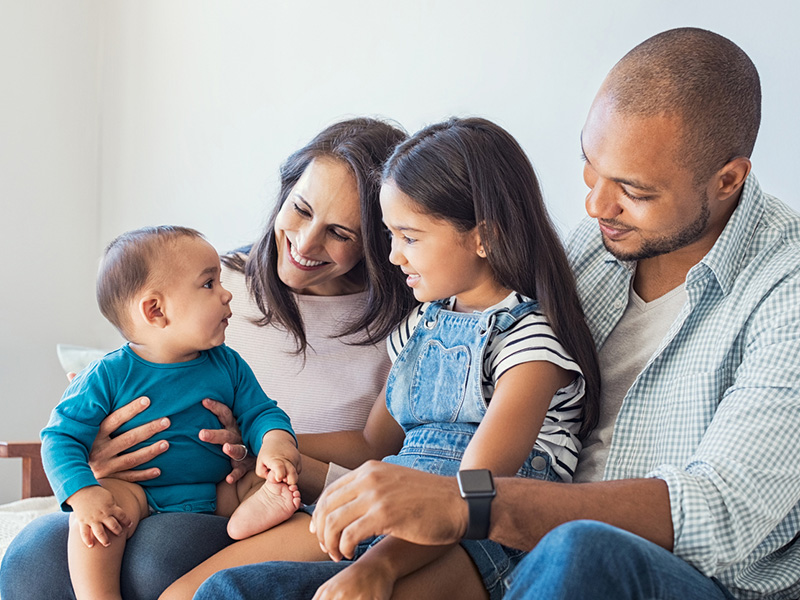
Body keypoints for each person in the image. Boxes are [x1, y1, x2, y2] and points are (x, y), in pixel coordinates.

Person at [192, 28, 800, 600]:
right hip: (508, 538)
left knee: (578, 552)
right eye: (589, 167)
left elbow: (721, 511)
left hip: (663, 572)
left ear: (728, 180)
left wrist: (469, 503)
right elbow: (399, 416)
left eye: (634, 191)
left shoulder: (785, 290)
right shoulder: (597, 250)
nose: (594, 205)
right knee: (234, 591)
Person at [159, 116, 601, 600]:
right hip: (388, 506)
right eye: (390, 236)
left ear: (484, 237)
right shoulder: (420, 327)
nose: (391, 257)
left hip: (473, 539)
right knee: (193, 593)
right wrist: (264, 440)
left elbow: (474, 495)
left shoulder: (529, 345)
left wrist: (378, 568)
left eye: (408, 238)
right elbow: (373, 442)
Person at [0, 117, 415, 600]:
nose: (304, 244)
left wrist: (267, 448)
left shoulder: (403, 329)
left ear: (380, 238)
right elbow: (84, 417)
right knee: (36, 551)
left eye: (341, 233)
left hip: (259, 495)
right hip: (143, 486)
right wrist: (94, 459)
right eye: (300, 209)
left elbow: (384, 451)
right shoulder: (206, 285)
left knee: (155, 554)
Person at [41, 225, 304, 599]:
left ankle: (248, 518)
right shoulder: (109, 374)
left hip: (218, 490)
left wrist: (276, 447)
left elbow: (261, 413)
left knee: (267, 485)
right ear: (156, 310)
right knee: (99, 521)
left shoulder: (228, 365)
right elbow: (60, 437)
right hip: (139, 492)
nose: (227, 293)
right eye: (209, 284)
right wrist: (83, 496)